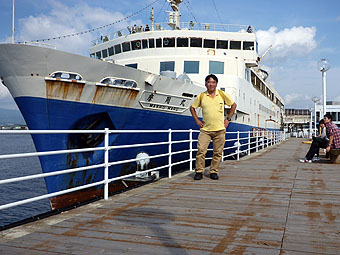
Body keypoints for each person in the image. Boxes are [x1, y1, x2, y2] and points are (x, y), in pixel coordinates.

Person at [190, 74, 237, 180]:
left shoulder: (221, 94)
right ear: (206, 83)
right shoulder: (202, 96)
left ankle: (213, 171)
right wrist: (197, 121)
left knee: (217, 152)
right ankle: (199, 171)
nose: (211, 84)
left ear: (216, 84)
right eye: (209, 82)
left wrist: (228, 119)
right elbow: (192, 108)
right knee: (201, 150)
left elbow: (233, 105)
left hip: (220, 130)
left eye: (213, 82)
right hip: (205, 130)